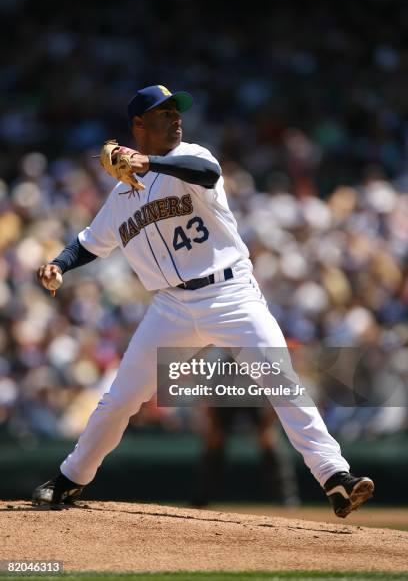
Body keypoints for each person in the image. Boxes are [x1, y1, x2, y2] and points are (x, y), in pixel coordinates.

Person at [33, 84, 374, 518]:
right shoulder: (120, 199)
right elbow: (89, 242)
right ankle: (68, 480)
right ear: (139, 125)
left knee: (281, 381)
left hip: (231, 293)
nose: (176, 117)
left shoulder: (193, 157)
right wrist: (59, 263)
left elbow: (204, 173)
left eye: (178, 111)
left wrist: (150, 161)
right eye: (164, 113)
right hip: (171, 308)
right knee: (119, 399)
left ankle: (335, 478)